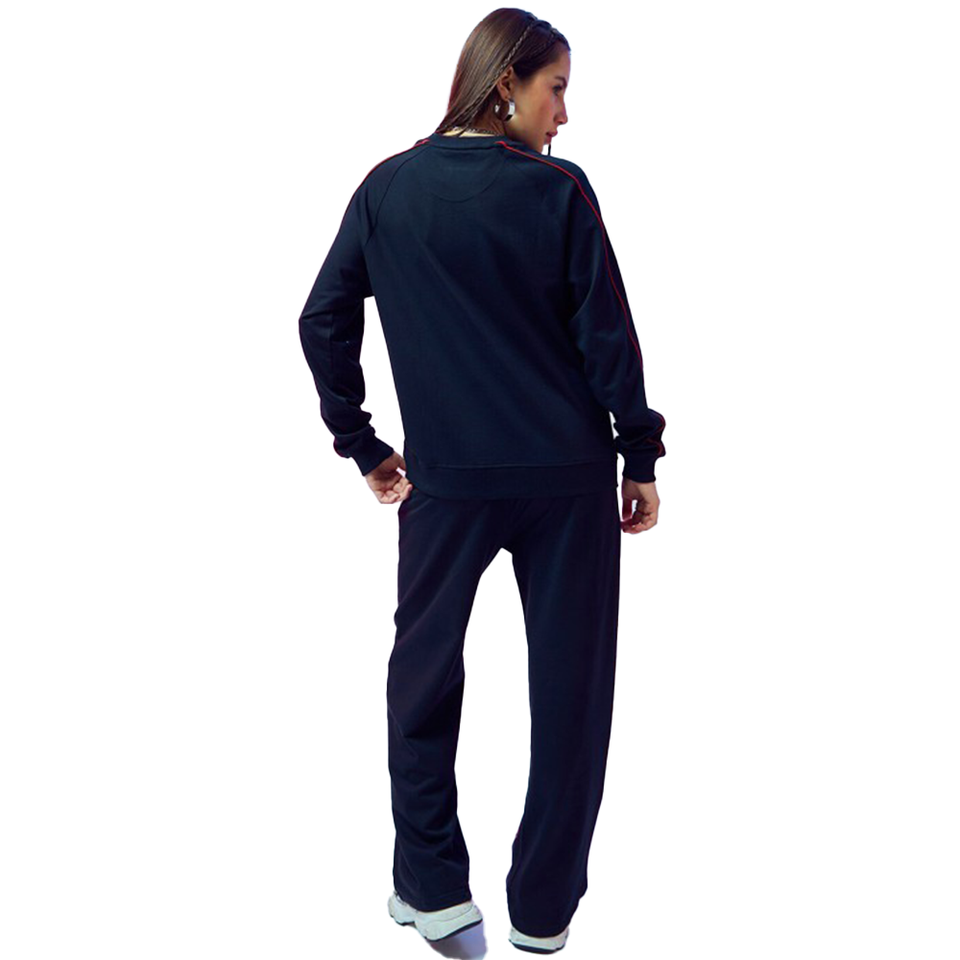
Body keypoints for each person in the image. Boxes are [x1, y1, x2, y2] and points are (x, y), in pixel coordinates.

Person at [297, 8, 667, 953]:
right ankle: (542, 913)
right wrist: (638, 454)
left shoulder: (387, 188)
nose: (565, 115)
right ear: (506, 83)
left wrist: (363, 445)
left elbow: (322, 320)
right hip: (566, 482)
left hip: (447, 485)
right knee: (573, 696)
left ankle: (433, 891)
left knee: (421, 684)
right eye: (557, 90)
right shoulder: (558, 192)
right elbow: (608, 335)